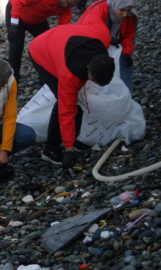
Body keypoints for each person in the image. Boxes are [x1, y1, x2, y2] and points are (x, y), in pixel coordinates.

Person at [28, 19, 115, 167]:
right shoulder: (70, 76)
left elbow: (96, 18)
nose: (93, 83)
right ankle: (51, 149)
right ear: (88, 67)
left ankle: (73, 138)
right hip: (40, 50)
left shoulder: (103, 38)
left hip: (60, 40)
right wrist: (69, 151)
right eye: (93, 80)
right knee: (63, 101)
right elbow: (67, 111)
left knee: (77, 100)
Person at [6, 0, 80, 80]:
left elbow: (64, 26)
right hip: (18, 13)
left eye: (72, 6)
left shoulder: (67, 6)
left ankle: (47, 75)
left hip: (38, 20)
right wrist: (14, 24)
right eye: (69, 5)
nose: (69, 8)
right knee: (16, 47)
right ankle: (13, 78)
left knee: (47, 46)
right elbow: (19, 0)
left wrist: (64, 42)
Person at [79, 0, 138, 93]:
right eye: (122, 10)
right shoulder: (98, 10)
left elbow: (128, 36)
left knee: (127, 64)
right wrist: (109, 39)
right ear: (115, 2)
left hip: (113, 45)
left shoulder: (130, 16)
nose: (125, 14)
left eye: (129, 10)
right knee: (97, 69)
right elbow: (89, 34)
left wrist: (127, 52)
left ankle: (125, 96)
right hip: (92, 45)